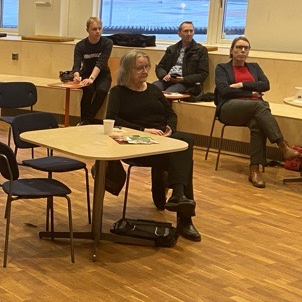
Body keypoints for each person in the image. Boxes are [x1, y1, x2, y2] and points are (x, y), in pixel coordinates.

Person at [106, 50, 201, 243]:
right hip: (137, 145)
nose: (144, 71)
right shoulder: (118, 93)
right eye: (139, 68)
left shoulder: (154, 90)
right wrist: (143, 130)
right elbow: (112, 120)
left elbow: (170, 114)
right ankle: (183, 214)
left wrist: (169, 129)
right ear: (127, 70)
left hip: (162, 139)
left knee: (186, 141)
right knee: (184, 160)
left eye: (147, 67)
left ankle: (179, 198)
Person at [213, 36, 301, 188]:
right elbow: (224, 90)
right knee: (260, 106)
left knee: (257, 123)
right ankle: (283, 146)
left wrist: (241, 85)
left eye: (246, 48)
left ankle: (254, 170)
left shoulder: (254, 67)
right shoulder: (222, 68)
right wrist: (251, 93)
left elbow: (265, 85)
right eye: (239, 47)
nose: (242, 50)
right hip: (229, 108)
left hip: (252, 109)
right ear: (231, 51)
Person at [71, 16, 113, 124]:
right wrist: (76, 76)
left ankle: (87, 120)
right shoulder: (80, 45)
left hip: (103, 75)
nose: (98, 31)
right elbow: (76, 64)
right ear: (87, 30)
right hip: (86, 73)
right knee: (88, 90)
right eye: (94, 29)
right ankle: (84, 120)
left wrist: (92, 78)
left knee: (102, 91)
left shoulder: (107, 43)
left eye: (100, 28)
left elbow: (101, 63)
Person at [154, 21, 209, 97]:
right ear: (179, 33)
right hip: (168, 79)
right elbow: (160, 67)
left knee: (168, 94)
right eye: (186, 31)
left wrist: (183, 79)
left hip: (186, 83)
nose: (189, 34)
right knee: (151, 89)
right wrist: (164, 75)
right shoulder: (172, 49)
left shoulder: (200, 50)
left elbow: (203, 74)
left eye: (191, 31)